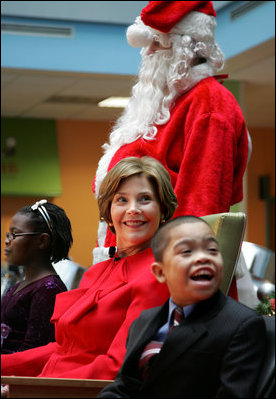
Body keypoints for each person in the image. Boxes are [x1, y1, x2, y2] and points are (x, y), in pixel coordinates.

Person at [93, 1, 249, 267]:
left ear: (187, 47)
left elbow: (201, 206)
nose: (148, 53)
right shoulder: (165, 103)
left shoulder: (210, 104)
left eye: (157, 43)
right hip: (133, 262)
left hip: (162, 271)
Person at [1, 157, 177, 380]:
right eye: (122, 200)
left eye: (145, 199)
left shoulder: (158, 276)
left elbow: (118, 368)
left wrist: (42, 387)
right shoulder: (96, 272)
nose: (133, 209)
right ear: (109, 212)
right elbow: (62, 349)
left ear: (163, 210)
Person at [98, 215, 266, 398]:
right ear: (160, 272)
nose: (203, 258)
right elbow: (124, 385)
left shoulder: (241, 325)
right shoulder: (144, 321)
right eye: (187, 251)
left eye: (212, 250)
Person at [1, 200, 71, 354]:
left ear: (42, 241)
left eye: (15, 234)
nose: (7, 241)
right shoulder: (19, 285)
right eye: (8, 234)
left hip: (17, 376)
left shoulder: (49, 289)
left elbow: (33, 353)